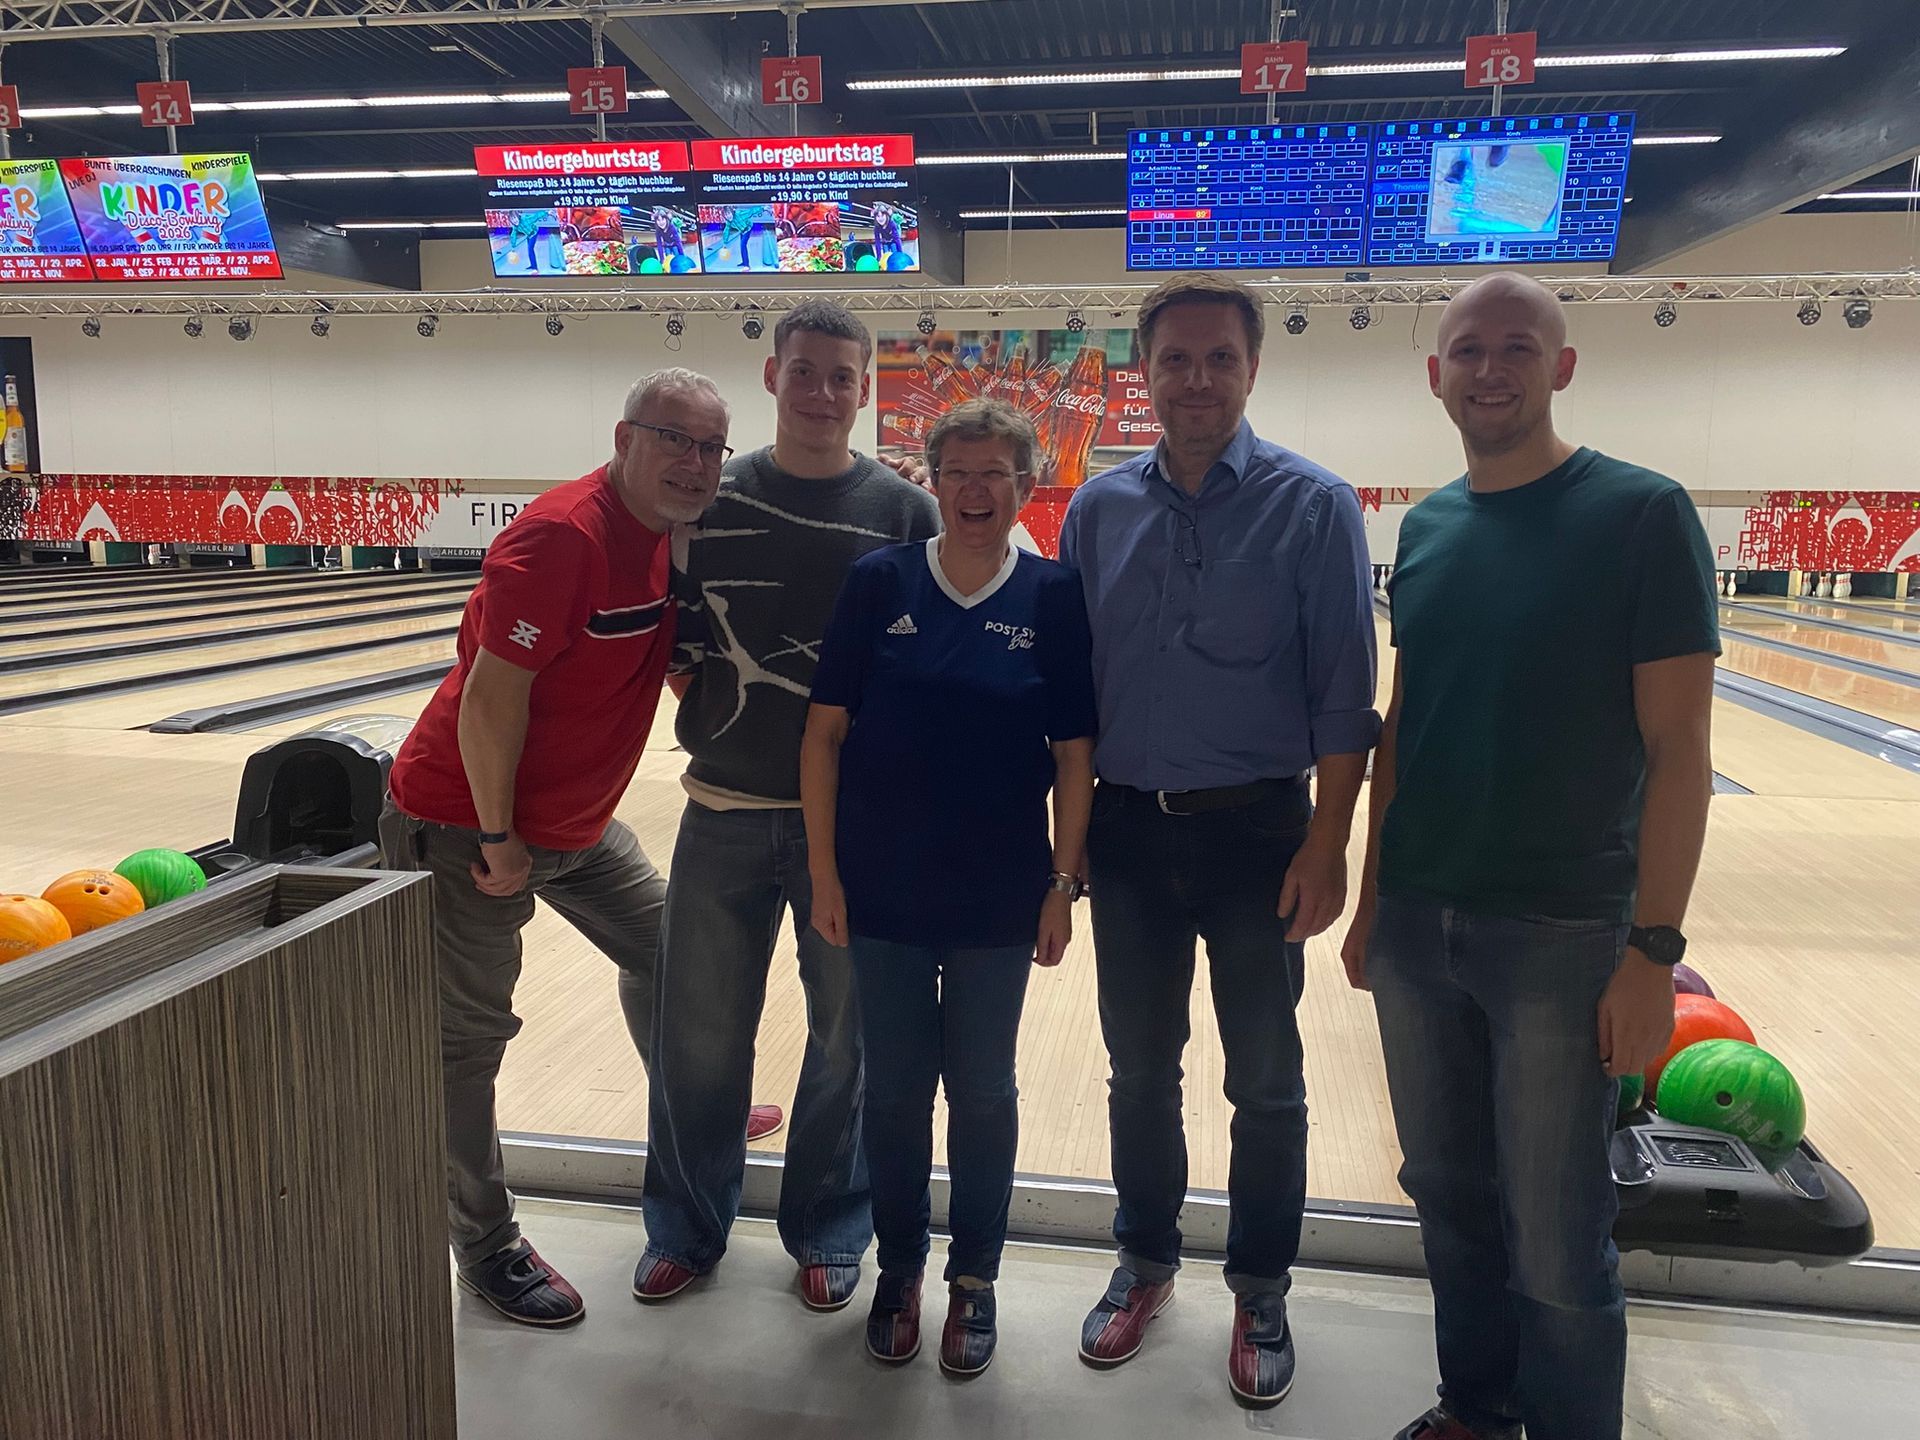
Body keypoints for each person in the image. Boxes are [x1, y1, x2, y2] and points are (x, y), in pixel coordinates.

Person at [1341, 272, 1718, 1440]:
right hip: (1419, 922)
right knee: (1447, 1197)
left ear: (1561, 367)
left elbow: (1682, 748)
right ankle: (1476, 1406)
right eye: (1468, 350)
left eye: (1516, 349)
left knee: (1558, 1232)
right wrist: (1371, 900)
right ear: (1435, 372)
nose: (1489, 370)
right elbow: (1408, 723)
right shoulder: (1431, 525)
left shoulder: (1643, 513)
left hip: (1564, 932)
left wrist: (1653, 950)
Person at [1057, 273, 1379, 1408]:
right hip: (1132, 836)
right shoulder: (1097, 509)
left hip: (1258, 831)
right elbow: (1070, 699)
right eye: (1175, 360)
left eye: (1219, 359)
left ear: (1253, 368)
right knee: (1140, 1074)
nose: (1197, 379)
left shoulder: (1315, 503)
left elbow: (1347, 696)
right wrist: (1072, 842)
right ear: (1141, 370)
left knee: (1269, 1081)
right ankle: (1145, 1263)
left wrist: (1328, 844)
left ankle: (1261, 1285)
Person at [379, 368, 732, 1327]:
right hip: (466, 824)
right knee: (468, 1047)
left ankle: (689, 1107)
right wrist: (496, 836)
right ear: (625, 439)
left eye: (711, 447)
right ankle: (486, 1249)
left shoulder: (670, 537)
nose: (694, 463)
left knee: (671, 957)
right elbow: (492, 701)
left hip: (574, 825)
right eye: (675, 440)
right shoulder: (561, 538)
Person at [637, 300, 941, 1311]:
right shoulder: (707, 502)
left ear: (865, 388)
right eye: (803, 372)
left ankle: (827, 1228)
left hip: (847, 831)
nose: (821, 392)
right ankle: (686, 1227)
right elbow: (678, 655)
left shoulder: (906, 512)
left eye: (841, 376)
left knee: (846, 1039)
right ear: (773, 378)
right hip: (720, 810)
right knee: (698, 1038)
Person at [800, 398, 1096, 1375]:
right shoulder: (875, 582)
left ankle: (976, 1280)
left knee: (980, 1092)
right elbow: (824, 734)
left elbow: (1074, 753)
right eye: (957, 471)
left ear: (1024, 487)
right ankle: (900, 1269)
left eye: (995, 473)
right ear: (932, 481)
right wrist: (824, 869)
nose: (975, 489)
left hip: (998, 896)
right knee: (892, 1095)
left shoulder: (1052, 594)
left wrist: (1063, 880)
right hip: (880, 888)